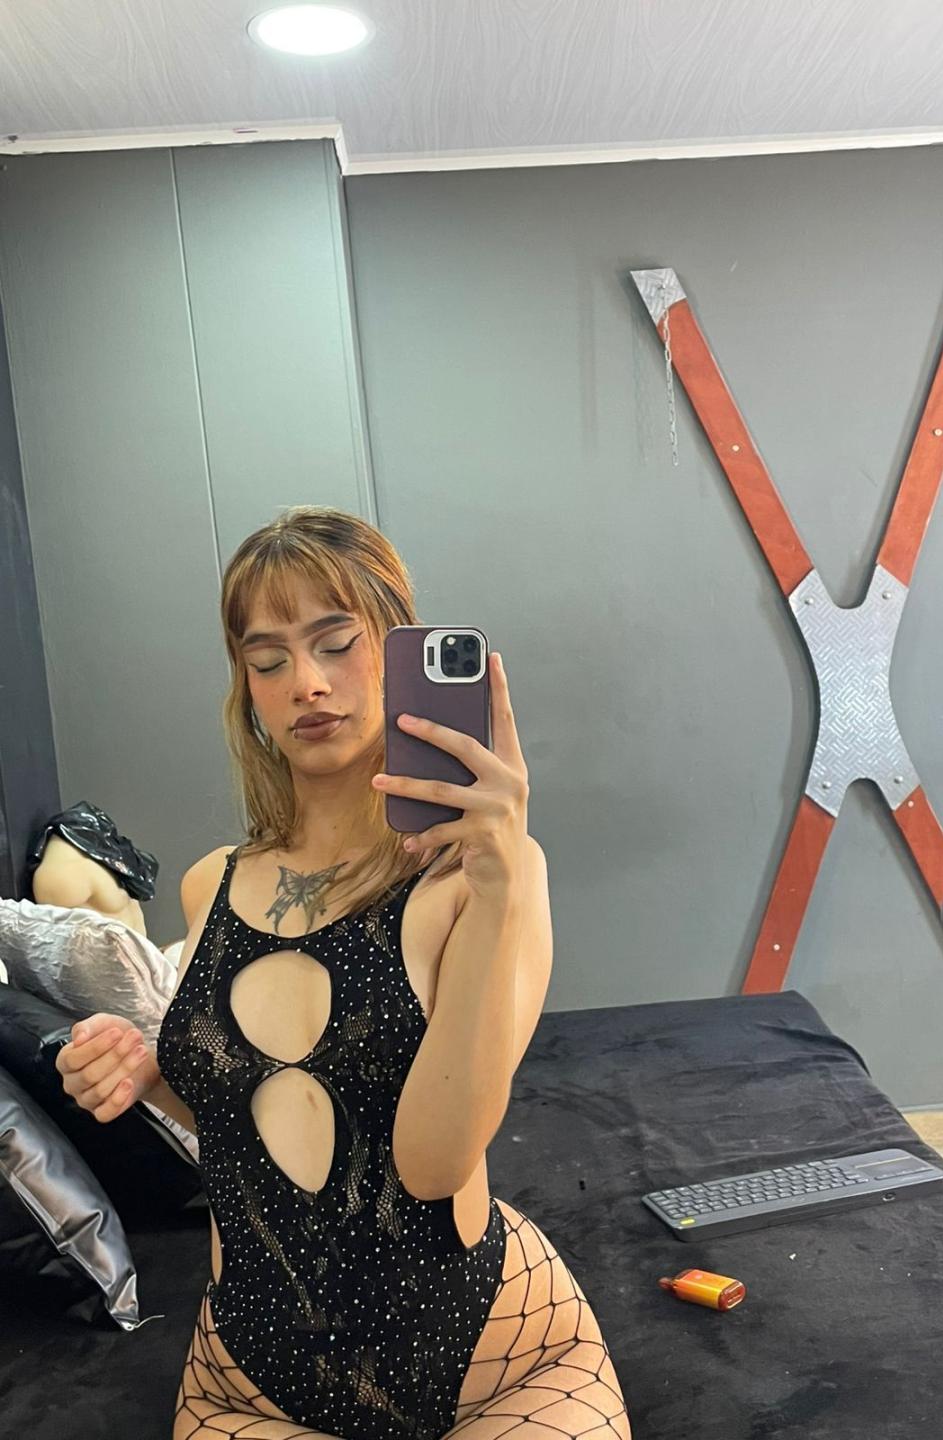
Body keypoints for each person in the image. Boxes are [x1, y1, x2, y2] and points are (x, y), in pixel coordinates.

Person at [56, 506, 631, 1440]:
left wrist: (496, 893)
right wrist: (152, 1074)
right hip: (250, 1383)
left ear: (397, 651)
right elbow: (266, 1119)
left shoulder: (484, 877)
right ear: (245, 687)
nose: (308, 684)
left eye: (336, 644)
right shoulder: (211, 883)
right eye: (268, 659)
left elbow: (433, 1162)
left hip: (499, 1367)